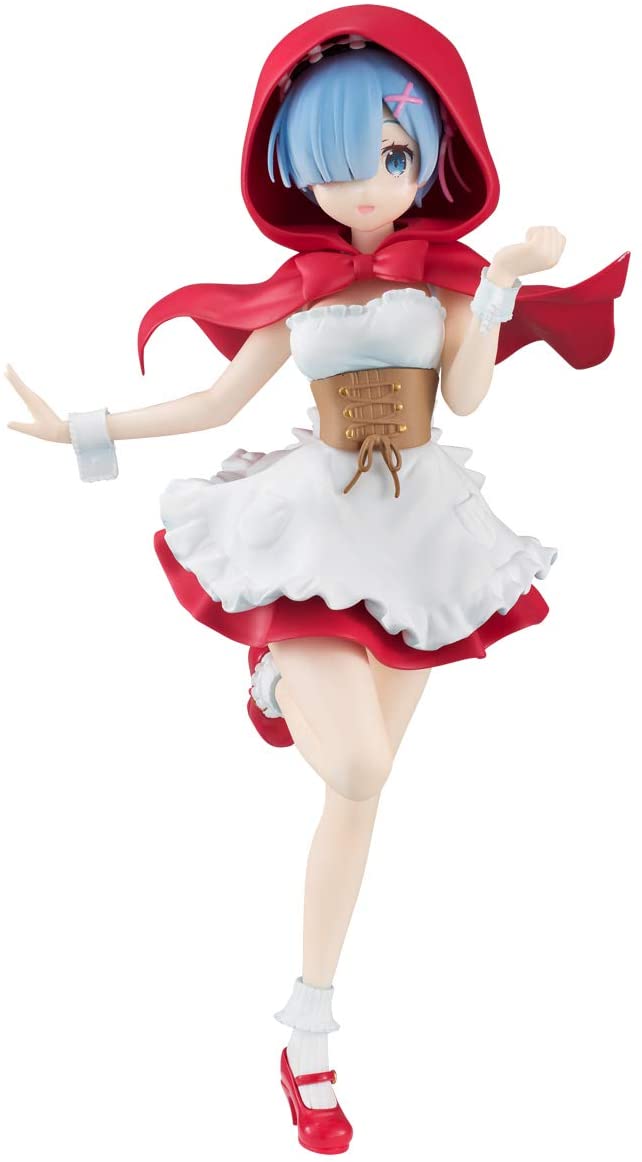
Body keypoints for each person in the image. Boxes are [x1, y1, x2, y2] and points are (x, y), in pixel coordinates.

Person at [4, 5, 629, 1155]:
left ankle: (309, 1030)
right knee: (358, 759)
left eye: (390, 157)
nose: (367, 188)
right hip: (310, 525)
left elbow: (470, 397)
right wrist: (81, 427)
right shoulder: (302, 287)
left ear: (429, 154)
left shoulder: (445, 281)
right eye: (337, 165)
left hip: (418, 534)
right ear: (294, 171)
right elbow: (214, 403)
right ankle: (278, 675)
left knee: (359, 796)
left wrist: (500, 281)